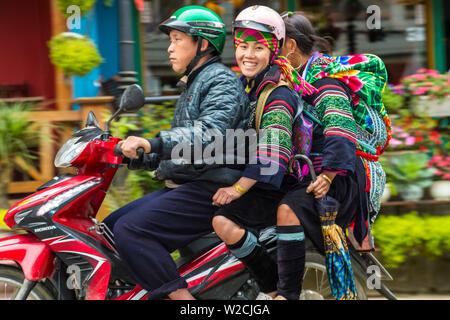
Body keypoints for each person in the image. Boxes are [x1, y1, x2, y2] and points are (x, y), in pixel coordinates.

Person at [103, 5, 250, 300]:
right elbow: (184, 148)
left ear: (203, 44)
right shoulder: (195, 84)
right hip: (193, 181)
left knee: (132, 229)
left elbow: (209, 135)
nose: (169, 48)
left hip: (213, 186)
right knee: (109, 228)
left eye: (176, 39)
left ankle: (183, 301)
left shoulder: (220, 81)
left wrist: (153, 142)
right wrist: (138, 155)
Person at [273, 11, 389, 300]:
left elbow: (340, 127)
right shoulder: (294, 79)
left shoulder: (324, 80)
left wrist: (329, 175)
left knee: (288, 209)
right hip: (316, 170)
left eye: (273, 43)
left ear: (290, 47)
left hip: (342, 175)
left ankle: (284, 294)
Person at [211, 5, 317, 300]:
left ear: (274, 51)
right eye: (243, 46)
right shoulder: (246, 85)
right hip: (261, 180)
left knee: (223, 220)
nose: (248, 54)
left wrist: (236, 189)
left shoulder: (278, 93)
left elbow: (274, 152)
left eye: (258, 47)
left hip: (281, 185)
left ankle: (275, 291)